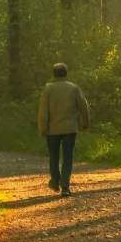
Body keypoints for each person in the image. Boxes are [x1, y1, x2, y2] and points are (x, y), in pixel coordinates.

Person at [37, 62, 90, 196]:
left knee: (53, 156)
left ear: (53, 74)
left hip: (52, 129)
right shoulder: (73, 88)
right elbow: (83, 106)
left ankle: (55, 181)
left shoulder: (48, 89)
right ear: (66, 73)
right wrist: (86, 122)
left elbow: (43, 111)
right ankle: (65, 186)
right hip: (69, 128)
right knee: (68, 157)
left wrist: (43, 128)